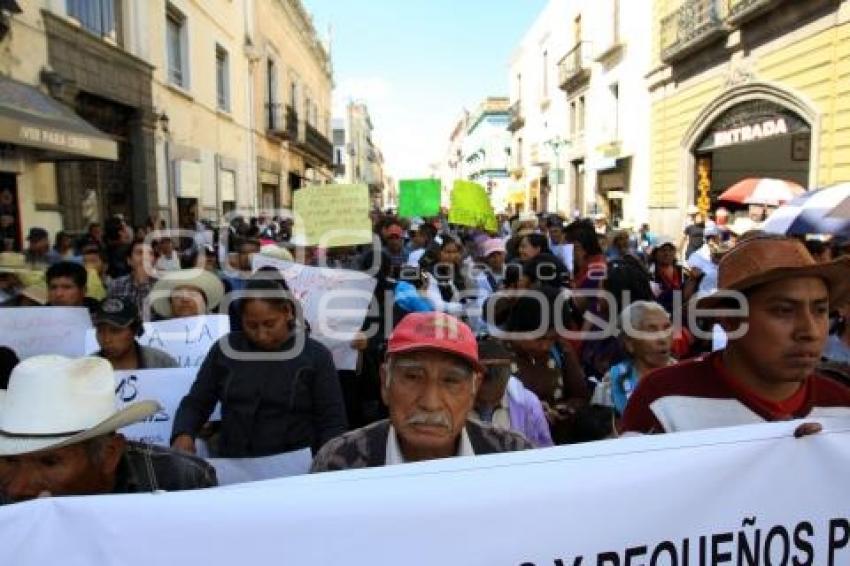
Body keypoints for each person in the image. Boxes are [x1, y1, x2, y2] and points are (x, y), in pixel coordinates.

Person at [620, 236, 850, 435]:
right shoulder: (662, 399)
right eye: (783, 311)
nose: (809, 331)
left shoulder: (842, 406)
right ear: (729, 320)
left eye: (820, 310)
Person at [310, 312, 533, 471]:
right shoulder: (339, 462)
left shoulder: (512, 457)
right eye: (412, 377)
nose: (430, 403)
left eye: (451, 380)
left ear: (474, 389)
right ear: (385, 382)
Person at [0, 355, 216, 505]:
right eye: (10, 460)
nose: (17, 488)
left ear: (109, 453)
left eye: (49, 462)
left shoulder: (182, 481)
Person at [171, 276, 347, 458]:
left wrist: (324, 463)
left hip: (297, 467)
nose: (261, 335)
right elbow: (197, 401)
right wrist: (183, 433)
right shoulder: (225, 350)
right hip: (235, 462)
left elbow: (332, 420)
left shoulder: (316, 356)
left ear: (288, 312)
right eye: (252, 326)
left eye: (270, 324)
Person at [592, 302, 675, 416]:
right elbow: (601, 430)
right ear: (630, 343)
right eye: (651, 331)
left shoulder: (686, 377)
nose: (663, 339)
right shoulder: (611, 385)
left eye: (667, 329)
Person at [473, 337, 553, 448]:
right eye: (479, 400)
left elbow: (545, 449)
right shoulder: (456, 404)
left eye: (495, 398)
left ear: (506, 381)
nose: (487, 405)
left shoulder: (529, 404)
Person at [93, 297, 178, 370]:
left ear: (134, 330)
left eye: (115, 331)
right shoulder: (84, 369)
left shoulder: (162, 364)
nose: (106, 339)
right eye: (100, 330)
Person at [107, 239, 156, 318]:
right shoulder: (116, 285)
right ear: (129, 260)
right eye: (140, 253)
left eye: (150, 253)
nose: (145, 257)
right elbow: (111, 316)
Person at [150, 268, 225, 319]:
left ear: (205, 302)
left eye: (193, 294)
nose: (185, 299)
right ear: (171, 305)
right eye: (177, 296)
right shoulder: (155, 336)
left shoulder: (221, 332)